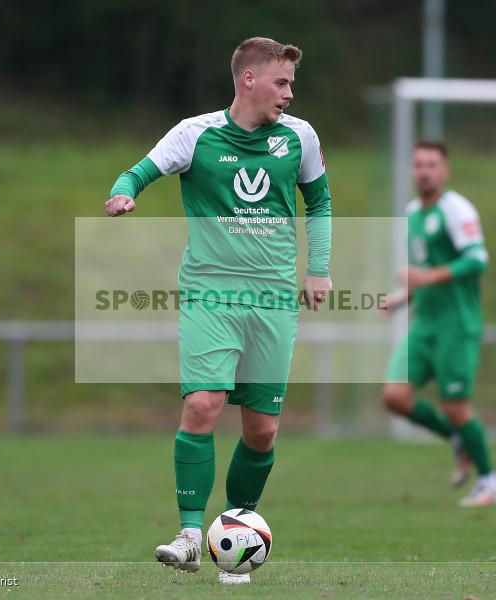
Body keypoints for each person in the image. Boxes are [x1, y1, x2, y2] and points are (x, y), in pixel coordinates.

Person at [106, 37, 332, 583]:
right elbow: (137, 173)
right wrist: (121, 193)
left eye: (292, 84)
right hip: (211, 293)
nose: (290, 94)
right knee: (203, 407)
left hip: (274, 300)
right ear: (248, 79)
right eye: (282, 83)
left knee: (262, 431)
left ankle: (236, 530)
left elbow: (319, 201)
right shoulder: (195, 133)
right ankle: (188, 536)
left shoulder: (299, 138)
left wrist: (318, 268)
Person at [380, 140, 496, 507]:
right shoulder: (413, 212)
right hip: (425, 324)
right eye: (418, 164)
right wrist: (403, 297)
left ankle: (490, 482)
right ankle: (456, 438)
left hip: (456, 323)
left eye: (432, 165)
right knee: (394, 396)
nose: (424, 171)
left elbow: (477, 260)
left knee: (455, 405)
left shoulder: (456, 209)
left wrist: (425, 278)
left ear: (445, 170)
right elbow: (423, 273)